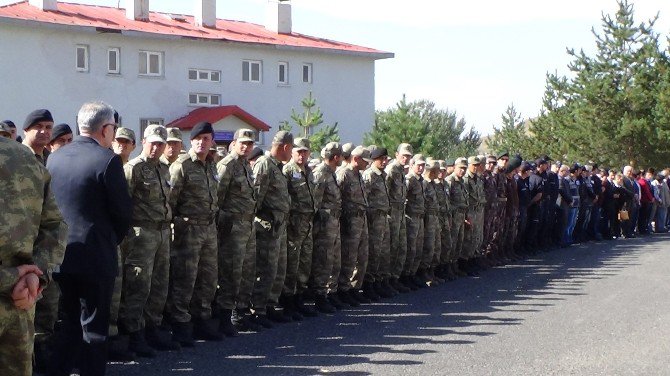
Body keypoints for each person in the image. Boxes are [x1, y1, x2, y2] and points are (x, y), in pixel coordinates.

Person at [47, 101, 132, 376]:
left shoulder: (55, 157)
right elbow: (122, 213)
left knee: (70, 322)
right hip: (96, 256)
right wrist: (110, 241)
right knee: (95, 328)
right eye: (113, 128)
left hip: (62, 253)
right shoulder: (107, 160)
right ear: (106, 128)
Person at [0, 137, 65, 376]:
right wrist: (34, 275)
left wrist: (31, 275)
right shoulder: (26, 158)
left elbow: (53, 224)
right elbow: (55, 225)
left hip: (20, 292)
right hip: (21, 298)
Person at [119, 124, 179, 356]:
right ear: (143, 142)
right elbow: (123, 205)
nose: (156, 148)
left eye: (160, 144)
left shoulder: (164, 169)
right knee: (138, 284)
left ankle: (153, 328)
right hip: (141, 234)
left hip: (163, 232)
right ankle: (134, 333)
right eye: (152, 143)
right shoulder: (133, 168)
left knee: (160, 284)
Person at [167, 121, 221, 346]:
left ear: (211, 141)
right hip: (188, 230)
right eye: (197, 139)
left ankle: (202, 319)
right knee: (185, 278)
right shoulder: (181, 165)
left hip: (209, 228)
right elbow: (169, 201)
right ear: (191, 141)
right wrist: (178, 226)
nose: (201, 143)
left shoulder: (211, 165)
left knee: (208, 278)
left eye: (206, 139)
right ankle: (180, 324)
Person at [214, 129, 258, 336]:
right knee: (231, 272)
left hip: (247, 226)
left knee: (247, 271)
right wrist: (223, 227)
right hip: (232, 228)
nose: (246, 147)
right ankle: (225, 316)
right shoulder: (227, 165)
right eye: (242, 143)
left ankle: (240, 313)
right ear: (234, 143)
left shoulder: (245, 166)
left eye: (249, 144)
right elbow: (217, 200)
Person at [249, 131, 294, 327]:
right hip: (267, 227)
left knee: (277, 269)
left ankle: (269, 305)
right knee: (265, 269)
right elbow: (256, 198)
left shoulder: (277, 167)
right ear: (285, 147)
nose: (291, 153)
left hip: (279, 226)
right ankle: (258, 309)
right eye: (291, 149)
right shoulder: (264, 165)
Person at [280, 138, 319, 319]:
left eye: (305, 152)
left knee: (305, 262)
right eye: (298, 152)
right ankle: (288, 301)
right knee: (292, 263)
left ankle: (299, 298)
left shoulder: (309, 171)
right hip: (294, 223)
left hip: (308, 222)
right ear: (292, 152)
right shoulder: (287, 171)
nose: (302, 155)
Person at [310, 142, 344, 310]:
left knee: (333, 260)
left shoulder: (331, 173)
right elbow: (315, 203)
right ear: (336, 157)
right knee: (324, 260)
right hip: (324, 224)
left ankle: (330, 292)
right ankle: (319, 295)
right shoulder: (321, 173)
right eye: (341, 157)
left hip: (333, 222)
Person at [337, 146, 372, 303]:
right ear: (356, 158)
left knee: (361, 256)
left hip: (361, 219)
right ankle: (343, 289)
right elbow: (337, 198)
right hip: (349, 220)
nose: (367, 164)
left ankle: (355, 287)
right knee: (349, 256)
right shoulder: (344, 173)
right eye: (365, 161)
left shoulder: (359, 175)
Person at [362, 146, 395, 299]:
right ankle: (369, 285)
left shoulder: (382, 175)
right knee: (374, 252)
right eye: (381, 159)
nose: (384, 161)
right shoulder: (369, 175)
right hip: (373, 218)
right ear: (374, 160)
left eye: (385, 159)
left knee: (383, 252)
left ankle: (379, 282)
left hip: (383, 217)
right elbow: (364, 198)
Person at [384, 143, 412, 292]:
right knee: (392, 247)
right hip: (392, 212)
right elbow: (385, 193)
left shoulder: (401, 171)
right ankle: (386, 280)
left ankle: (395, 278)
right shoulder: (391, 170)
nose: (406, 158)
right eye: (404, 155)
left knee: (401, 246)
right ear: (396, 154)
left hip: (400, 211)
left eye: (408, 156)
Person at [402, 154, 426, 289]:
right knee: (410, 248)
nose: (421, 168)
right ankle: (406, 276)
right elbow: (403, 198)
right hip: (411, 218)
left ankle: (412, 273)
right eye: (419, 165)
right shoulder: (409, 179)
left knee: (418, 248)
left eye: (423, 165)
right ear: (412, 165)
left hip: (419, 217)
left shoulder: (420, 180)